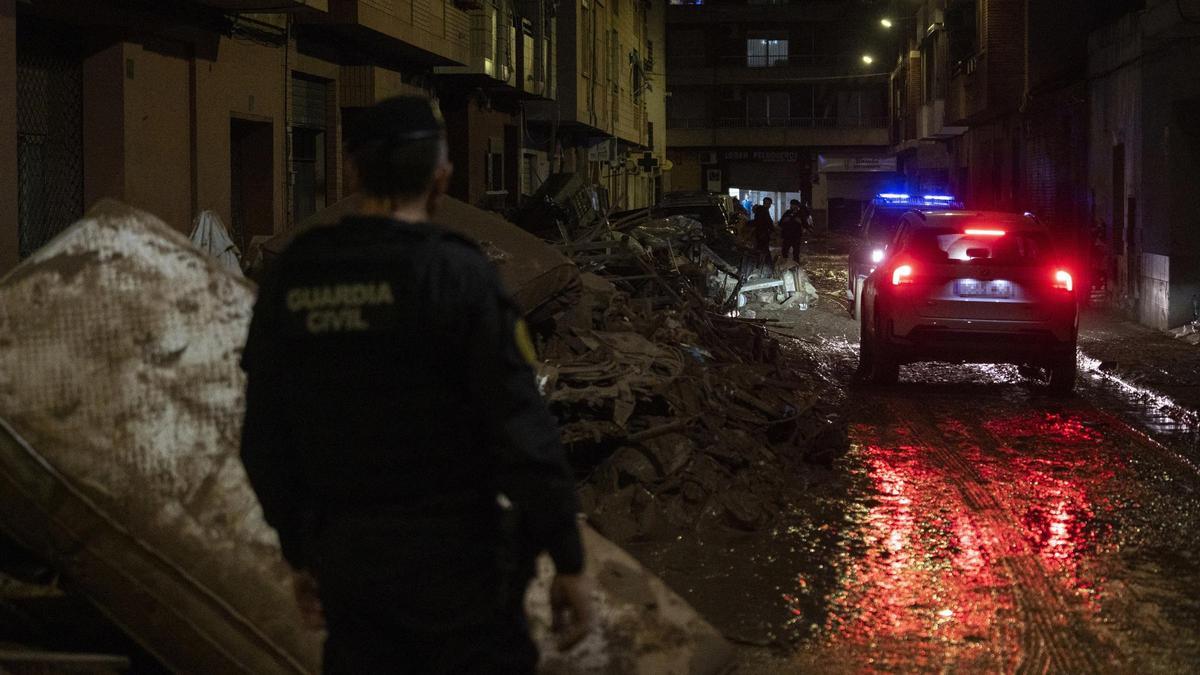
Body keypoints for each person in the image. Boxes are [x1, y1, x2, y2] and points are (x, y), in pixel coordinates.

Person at [239, 95, 594, 674]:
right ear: (441, 176)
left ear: (352, 171)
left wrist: (301, 554)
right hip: (461, 566)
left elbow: (263, 441)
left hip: (351, 565)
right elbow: (523, 430)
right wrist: (567, 558)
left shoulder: (295, 275)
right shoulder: (459, 273)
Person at [779, 198, 811, 263]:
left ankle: (796, 266)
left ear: (797, 206)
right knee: (784, 251)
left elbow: (806, 225)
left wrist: (800, 222)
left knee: (796, 252)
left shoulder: (801, 214)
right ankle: (785, 264)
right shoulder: (787, 213)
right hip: (787, 236)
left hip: (796, 236)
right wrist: (784, 221)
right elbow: (780, 224)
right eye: (792, 205)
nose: (793, 207)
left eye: (795, 205)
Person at [751, 197, 775, 262]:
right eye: (769, 204)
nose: (769, 205)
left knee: (761, 249)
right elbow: (766, 222)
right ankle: (765, 263)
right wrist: (773, 229)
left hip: (760, 233)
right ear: (766, 203)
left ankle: (760, 263)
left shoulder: (762, 210)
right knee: (763, 249)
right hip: (762, 233)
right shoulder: (763, 211)